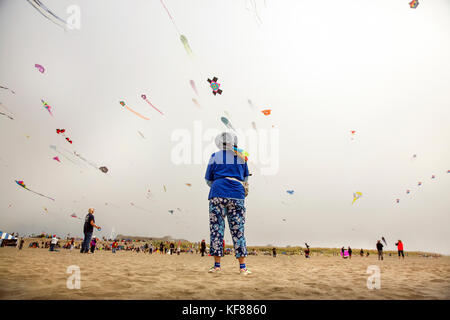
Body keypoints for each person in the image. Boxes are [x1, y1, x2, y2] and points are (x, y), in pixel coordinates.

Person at [205, 132, 251, 275]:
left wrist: (220, 183)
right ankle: (242, 267)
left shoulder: (214, 156)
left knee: (216, 229)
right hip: (237, 194)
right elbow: (245, 179)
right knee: (238, 230)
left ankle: (217, 265)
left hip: (217, 193)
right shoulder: (242, 157)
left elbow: (208, 180)